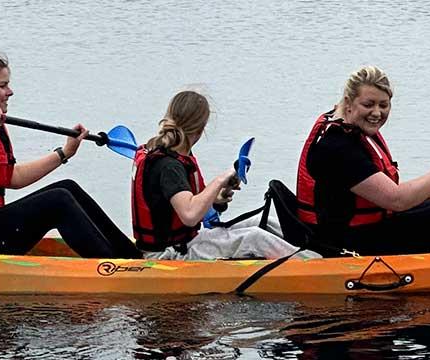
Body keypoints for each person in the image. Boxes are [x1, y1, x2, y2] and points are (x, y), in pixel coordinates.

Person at [0, 47, 139, 258]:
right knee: (58, 201)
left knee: (67, 187)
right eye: (3, 85)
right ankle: (113, 268)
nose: (10, 92)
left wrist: (64, 153)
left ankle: (133, 258)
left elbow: (12, 177)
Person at [295, 64, 430, 257]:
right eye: (368, 104)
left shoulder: (347, 123)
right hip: (343, 244)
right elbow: (396, 200)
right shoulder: (335, 148)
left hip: (362, 229)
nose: (377, 113)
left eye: (384, 105)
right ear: (348, 103)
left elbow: (376, 189)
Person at [132, 90, 314, 261]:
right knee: (254, 237)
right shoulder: (169, 166)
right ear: (200, 129)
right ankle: (312, 267)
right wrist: (220, 180)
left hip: (186, 241)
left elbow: (184, 203)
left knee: (261, 222)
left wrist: (216, 198)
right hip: (168, 255)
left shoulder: (174, 155)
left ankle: (314, 250)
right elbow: (189, 215)